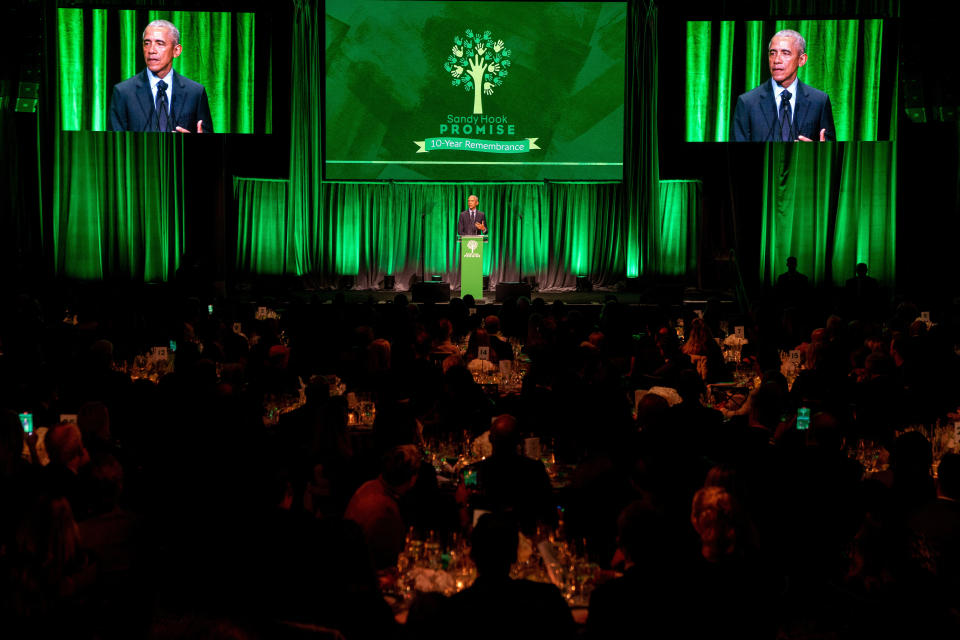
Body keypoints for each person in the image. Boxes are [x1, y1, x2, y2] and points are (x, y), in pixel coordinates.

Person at [108, 20, 213, 133]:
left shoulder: (195, 92)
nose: (151, 50)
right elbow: (114, 145)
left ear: (176, 50)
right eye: (147, 43)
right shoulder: (123, 92)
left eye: (160, 43)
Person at [732, 29, 835, 142]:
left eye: (785, 53)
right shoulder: (747, 102)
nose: (776, 60)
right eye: (772, 53)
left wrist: (817, 150)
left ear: (802, 60)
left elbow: (829, 151)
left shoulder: (819, 101)